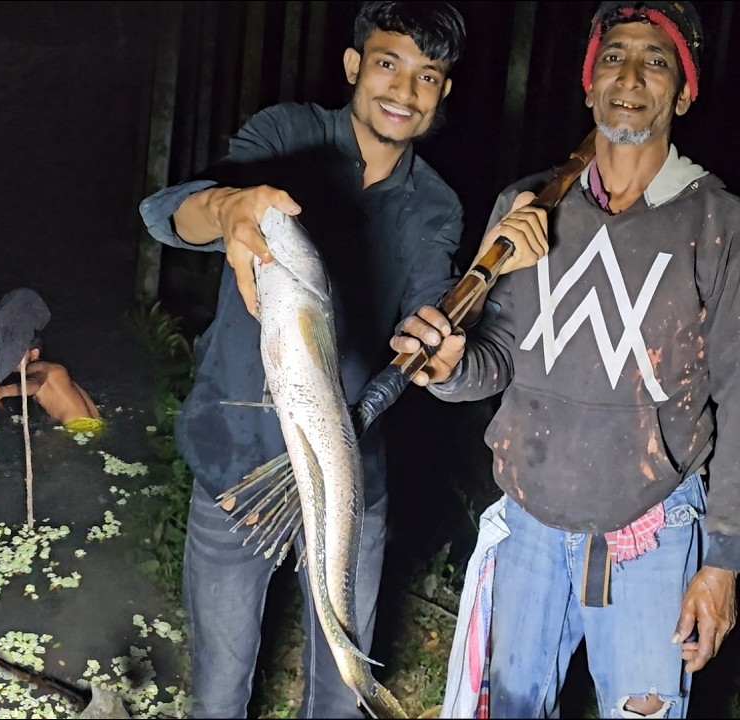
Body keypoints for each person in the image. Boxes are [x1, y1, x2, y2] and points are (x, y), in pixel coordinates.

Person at [137, 2, 499, 716]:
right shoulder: (286, 136)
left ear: (444, 93)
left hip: (347, 479)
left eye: (429, 76)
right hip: (233, 472)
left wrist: (436, 351)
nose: (404, 90)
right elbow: (168, 214)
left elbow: (423, 319)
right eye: (388, 63)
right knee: (218, 687)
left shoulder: (438, 205)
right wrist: (232, 208)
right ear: (353, 64)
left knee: (340, 690)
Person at [394, 3, 739, 717]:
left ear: (683, 91)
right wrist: (451, 366)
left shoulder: (719, 221)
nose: (631, 76)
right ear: (589, 85)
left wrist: (723, 561)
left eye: (656, 59)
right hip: (530, 519)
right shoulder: (529, 208)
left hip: (654, 525)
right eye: (613, 56)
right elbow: (496, 362)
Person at [0, 288, 101, 432]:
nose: (13, 360)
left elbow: (34, 384)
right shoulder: (55, 370)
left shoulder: (37, 368)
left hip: (78, 428)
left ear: (34, 353)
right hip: (96, 424)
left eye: (19, 353)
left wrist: (3, 391)